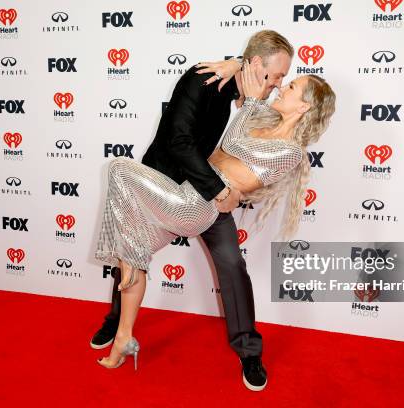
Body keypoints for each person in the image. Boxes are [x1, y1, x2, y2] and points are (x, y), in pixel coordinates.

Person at [92, 30, 335, 391]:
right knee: (131, 243)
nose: (279, 84)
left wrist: (235, 192)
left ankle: (249, 351)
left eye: (287, 81)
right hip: (181, 183)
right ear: (255, 66)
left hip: (207, 201)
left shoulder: (261, 108)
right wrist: (239, 65)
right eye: (278, 76)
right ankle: (120, 325)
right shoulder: (207, 82)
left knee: (232, 265)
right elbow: (179, 140)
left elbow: (254, 163)